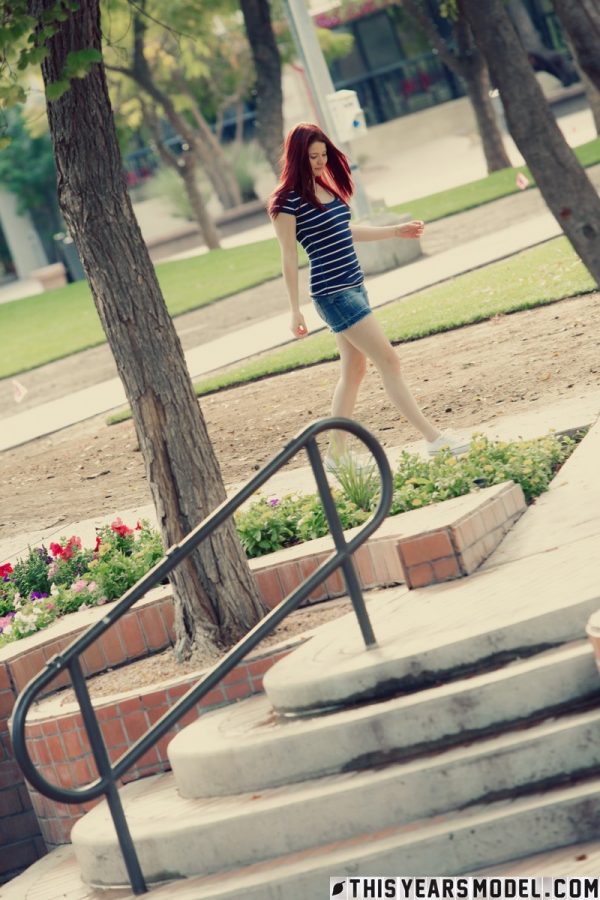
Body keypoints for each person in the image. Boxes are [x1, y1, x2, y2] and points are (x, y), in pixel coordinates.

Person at [268, 122, 469, 463]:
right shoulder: (286, 202)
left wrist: (395, 231)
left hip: (355, 285)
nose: (319, 162)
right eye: (312, 157)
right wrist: (294, 310)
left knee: (354, 372)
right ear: (297, 156)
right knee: (389, 360)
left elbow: (345, 231)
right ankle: (433, 437)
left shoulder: (324, 187)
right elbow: (288, 256)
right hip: (333, 292)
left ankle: (337, 455)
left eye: (323, 155)